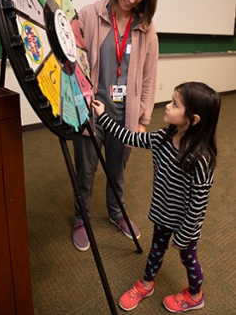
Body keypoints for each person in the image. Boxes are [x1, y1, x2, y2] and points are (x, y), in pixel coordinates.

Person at [91, 81, 221, 313]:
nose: (167, 107)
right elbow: (131, 138)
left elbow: (198, 204)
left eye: (175, 104)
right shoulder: (162, 138)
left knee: (188, 259)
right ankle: (147, 284)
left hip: (185, 224)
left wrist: (184, 234)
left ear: (193, 119)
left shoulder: (201, 159)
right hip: (162, 213)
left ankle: (194, 296)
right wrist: (102, 116)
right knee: (156, 249)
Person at [72, 0, 159, 251]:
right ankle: (80, 218)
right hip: (91, 112)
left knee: (117, 170)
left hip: (126, 115)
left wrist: (143, 120)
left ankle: (116, 213)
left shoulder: (146, 28)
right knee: (86, 169)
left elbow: (149, 77)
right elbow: (69, 61)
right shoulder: (89, 14)